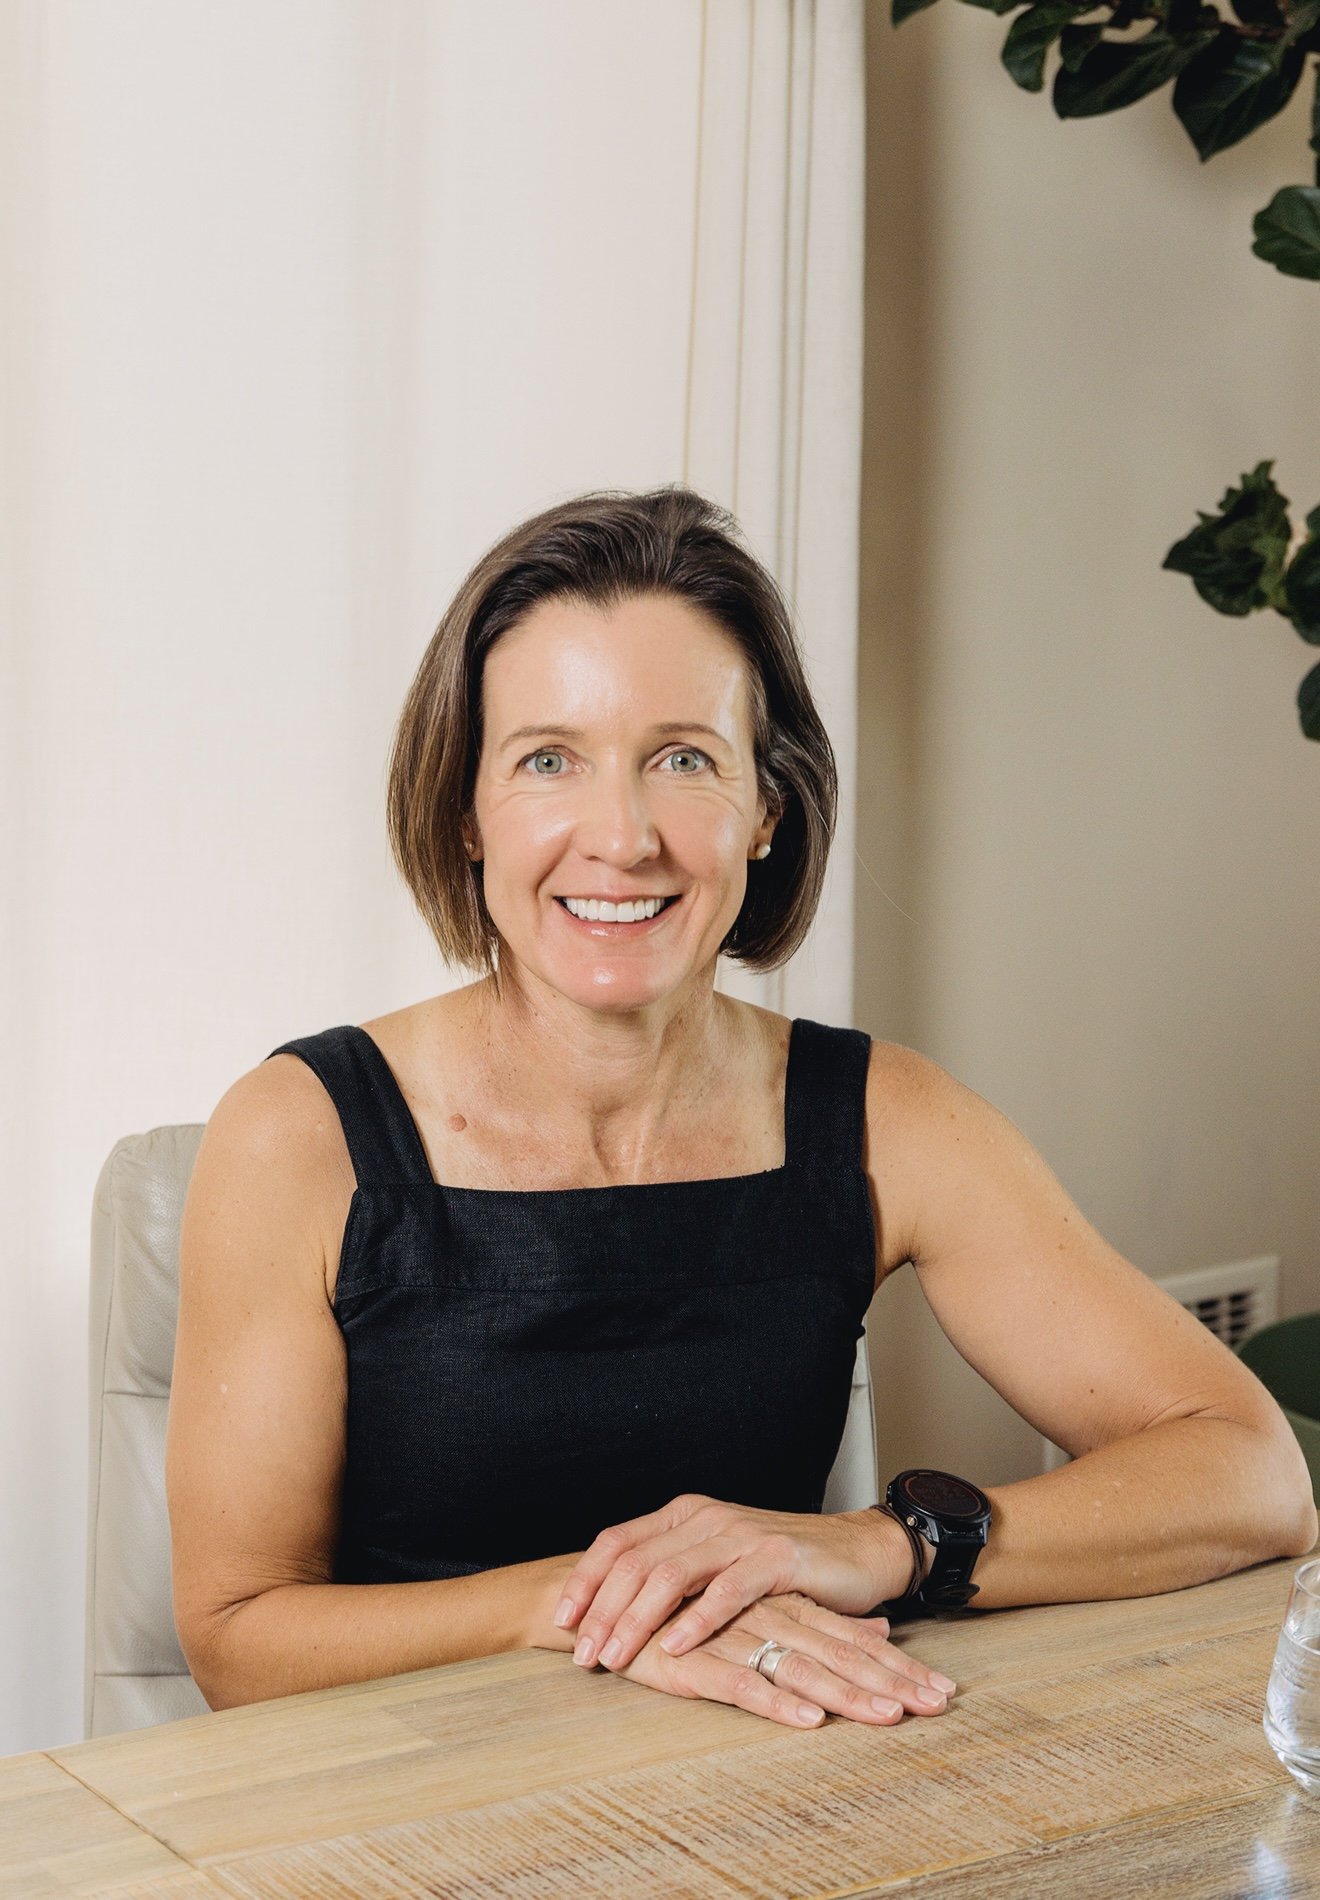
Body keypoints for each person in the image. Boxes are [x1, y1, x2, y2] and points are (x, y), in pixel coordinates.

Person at [165, 486, 1317, 1730]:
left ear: (765, 809)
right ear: (467, 813)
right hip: (397, 1808)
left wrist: (888, 1546)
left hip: (777, 1796)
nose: (621, 835)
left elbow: (1252, 1476)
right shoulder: (298, 1135)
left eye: (683, 760)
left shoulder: (888, 1117)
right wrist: (602, 1603)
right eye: (548, 760)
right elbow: (238, 1636)